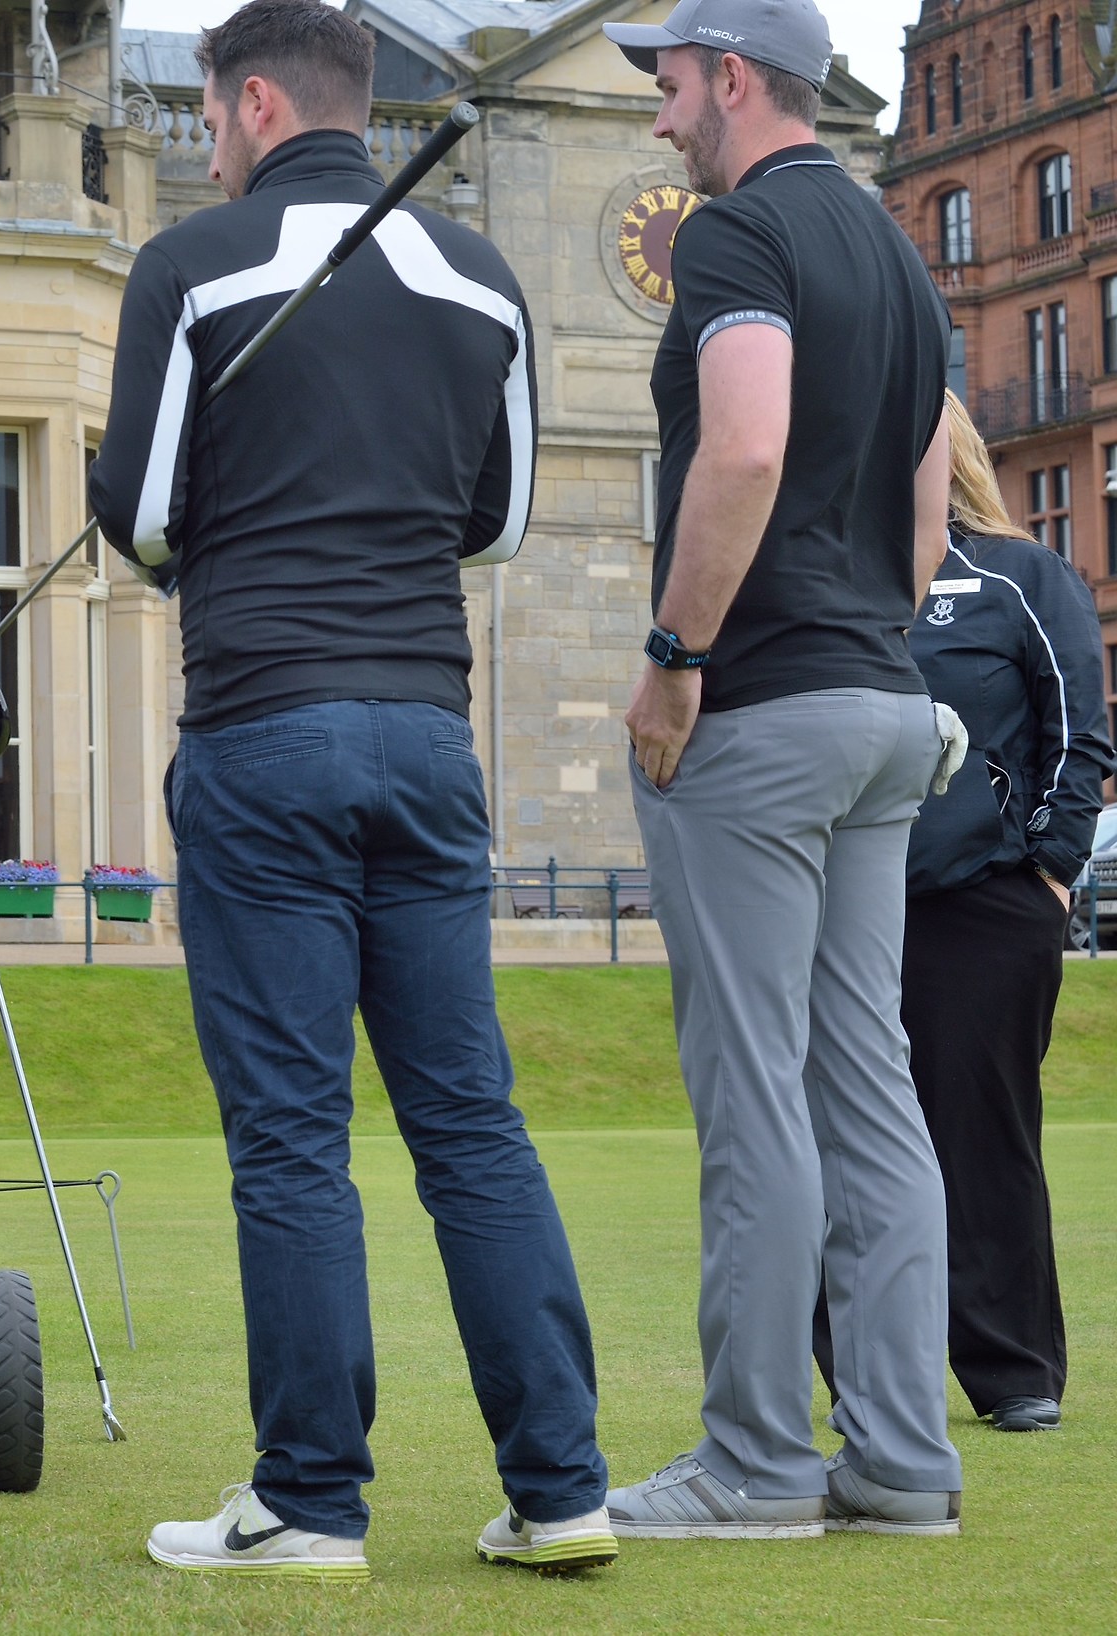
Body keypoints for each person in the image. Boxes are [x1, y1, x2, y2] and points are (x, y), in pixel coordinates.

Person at [88, 0, 611, 1581]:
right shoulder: (486, 276)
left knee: (296, 1138)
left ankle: (311, 1503)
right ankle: (562, 1485)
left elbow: (140, 511)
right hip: (425, 740)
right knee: (470, 1121)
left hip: (264, 732)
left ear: (254, 103)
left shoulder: (191, 266)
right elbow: (500, 520)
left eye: (203, 116)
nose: (201, 141)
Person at [600, 0, 965, 1537]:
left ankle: (754, 1464)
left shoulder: (736, 241)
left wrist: (676, 662)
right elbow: (930, 520)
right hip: (883, 705)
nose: (664, 111)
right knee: (870, 1096)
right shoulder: (898, 255)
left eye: (673, 81)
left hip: (760, 718)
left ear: (734, 77)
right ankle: (899, 1462)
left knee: (754, 1098)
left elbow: (743, 448)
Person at [810, 391, 1114, 1433]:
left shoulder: (1021, 576)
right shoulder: (830, 579)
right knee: (828, 1139)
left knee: (983, 1137)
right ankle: (856, 1370)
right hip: (837, 906)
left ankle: (1013, 1369)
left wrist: (1050, 872)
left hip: (984, 909)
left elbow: (1080, 734)